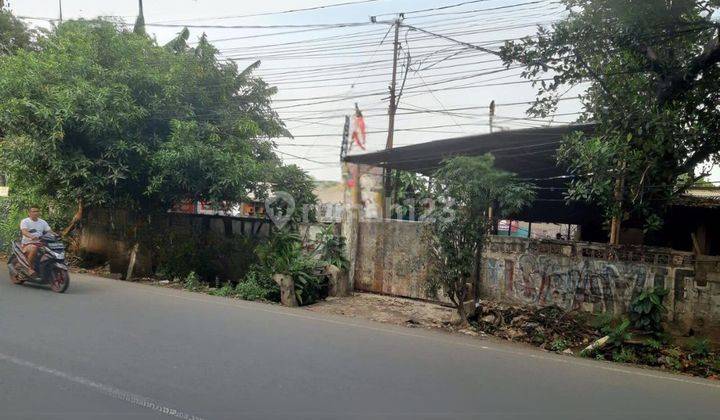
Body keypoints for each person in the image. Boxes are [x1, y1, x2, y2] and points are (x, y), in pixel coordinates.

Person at [20, 206, 53, 276]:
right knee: (34, 248)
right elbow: (24, 231)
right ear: (29, 213)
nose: (36, 213)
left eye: (37, 211)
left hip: (40, 244)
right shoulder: (25, 221)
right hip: (27, 244)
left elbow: (49, 231)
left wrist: (56, 236)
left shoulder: (42, 222)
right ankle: (29, 268)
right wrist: (31, 236)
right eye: (34, 211)